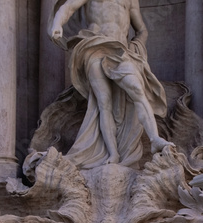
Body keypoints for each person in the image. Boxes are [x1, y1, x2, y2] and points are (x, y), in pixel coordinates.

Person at [50, 0, 172, 169]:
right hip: (94, 46)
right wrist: (57, 24)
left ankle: (154, 139)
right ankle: (113, 153)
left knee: (137, 89)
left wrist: (137, 46)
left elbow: (142, 29)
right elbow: (68, 7)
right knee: (103, 102)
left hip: (120, 50)